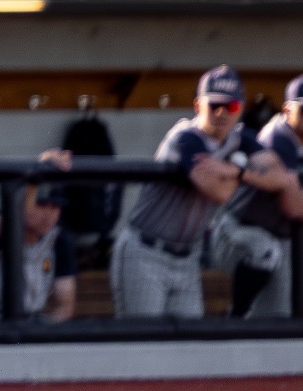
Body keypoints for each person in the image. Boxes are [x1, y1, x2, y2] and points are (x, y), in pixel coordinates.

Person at [111, 65, 256, 320]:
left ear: (241, 108)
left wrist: (235, 168)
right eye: (214, 106)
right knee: (144, 347)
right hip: (146, 252)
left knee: (191, 348)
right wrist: (241, 166)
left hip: (188, 258)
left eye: (231, 107)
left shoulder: (239, 140)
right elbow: (217, 192)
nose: (222, 113)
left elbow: (279, 173)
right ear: (197, 105)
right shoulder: (184, 137)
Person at [208, 75, 303, 318]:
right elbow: (294, 207)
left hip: (278, 236)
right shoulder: (278, 138)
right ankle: (236, 316)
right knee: (265, 251)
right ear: (287, 109)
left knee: (283, 315)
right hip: (237, 230)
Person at [0, 152, 77, 325]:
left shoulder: (59, 240)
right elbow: (18, 215)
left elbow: (64, 307)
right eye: (42, 204)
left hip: (27, 323)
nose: (49, 214)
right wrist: (35, 173)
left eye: (55, 206)